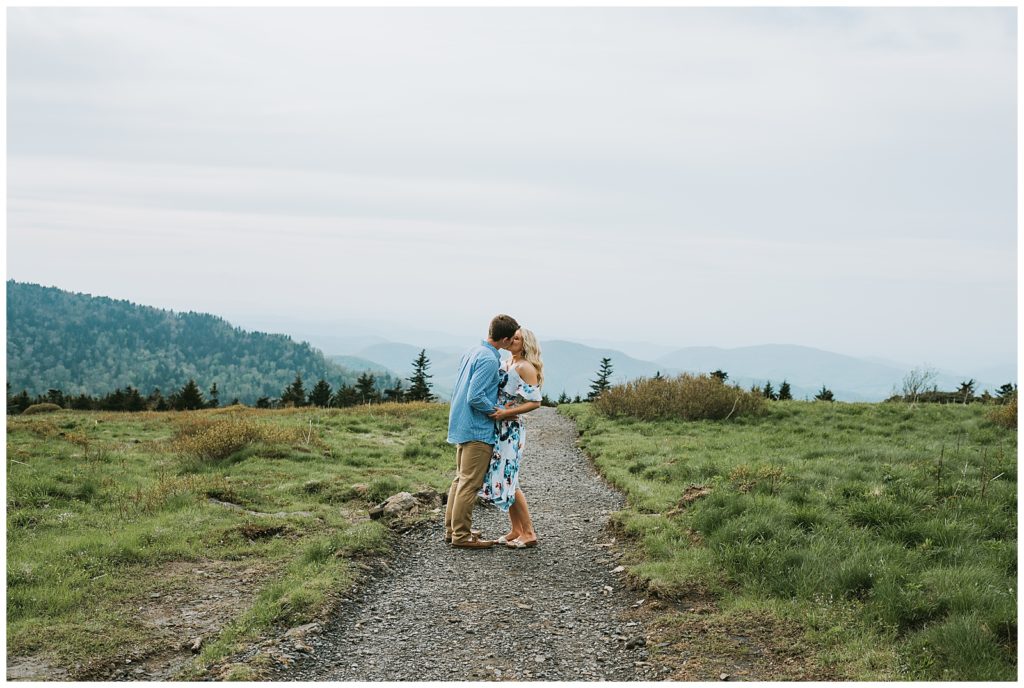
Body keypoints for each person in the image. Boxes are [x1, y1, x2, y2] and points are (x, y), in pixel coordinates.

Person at [444, 314, 520, 549]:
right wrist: (497, 411)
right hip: (477, 428)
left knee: (460, 480)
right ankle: (461, 536)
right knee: (469, 483)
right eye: (513, 338)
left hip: (461, 423)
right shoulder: (489, 359)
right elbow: (475, 396)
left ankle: (453, 530)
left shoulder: (473, 351)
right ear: (505, 339)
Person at [479, 327, 544, 548]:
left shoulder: (526, 367)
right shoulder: (506, 363)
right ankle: (516, 529)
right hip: (498, 427)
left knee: (511, 480)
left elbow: (535, 402)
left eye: (518, 339)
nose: (513, 341)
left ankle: (529, 532)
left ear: (525, 343)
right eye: (512, 337)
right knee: (505, 479)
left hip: (511, 429)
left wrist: (506, 413)